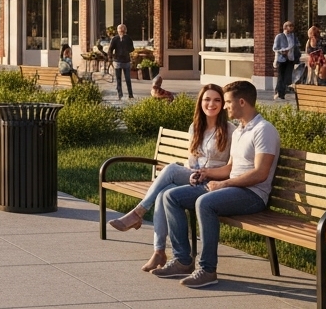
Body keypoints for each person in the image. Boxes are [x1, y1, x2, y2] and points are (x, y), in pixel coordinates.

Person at [154, 80, 278, 289]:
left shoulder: (264, 130)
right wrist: (206, 174)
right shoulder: (240, 131)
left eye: (228, 102)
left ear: (241, 102)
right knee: (171, 197)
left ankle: (207, 269)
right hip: (232, 188)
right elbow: (231, 167)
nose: (226, 107)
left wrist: (224, 184)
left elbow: (260, 174)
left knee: (205, 203)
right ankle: (182, 260)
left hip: (252, 194)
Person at [109, 84, 232, 272]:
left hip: (213, 181)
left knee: (171, 169)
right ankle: (159, 251)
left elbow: (230, 167)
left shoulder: (230, 130)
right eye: (207, 99)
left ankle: (138, 213)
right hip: (194, 176)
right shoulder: (195, 127)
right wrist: (192, 172)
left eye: (217, 100)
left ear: (223, 104)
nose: (211, 104)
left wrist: (206, 173)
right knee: (163, 194)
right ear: (200, 102)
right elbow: (192, 160)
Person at [271, 21, 299, 100]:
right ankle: (279, 92)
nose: (291, 28)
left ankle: (282, 92)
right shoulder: (279, 36)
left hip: (291, 59)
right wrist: (283, 51)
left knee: (287, 77)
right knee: (281, 76)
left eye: (292, 26)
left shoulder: (293, 36)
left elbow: (297, 45)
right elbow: (275, 48)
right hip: (282, 59)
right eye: (290, 26)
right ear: (285, 27)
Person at [107, 24, 135, 100]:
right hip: (118, 61)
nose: (121, 32)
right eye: (120, 30)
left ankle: (130, 95)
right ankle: (120, 94)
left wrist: (126, 49)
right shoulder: (115, 39)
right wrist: (110, 58)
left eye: (122, 30)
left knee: (127, 79)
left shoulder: (128, 38)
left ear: (125, 31)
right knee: (119, 79)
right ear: (118, 31)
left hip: (126, 61)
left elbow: (132, 49)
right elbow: (110, 49)